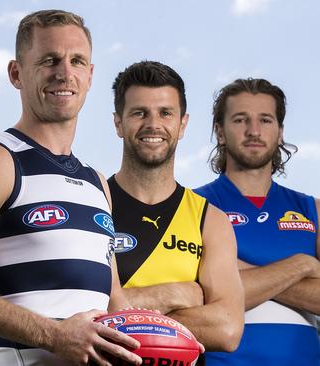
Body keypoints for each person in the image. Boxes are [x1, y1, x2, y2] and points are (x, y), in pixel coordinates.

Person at [0, 10, 142, 366]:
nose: (64, 73)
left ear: (90, 75)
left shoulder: (96, 181)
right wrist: (54, 335)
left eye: (77, 61)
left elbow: (112, 298)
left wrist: (158, 342)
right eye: (49, 60)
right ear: (16, 73)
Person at [195, 78, 320, 365]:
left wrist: (240, 275)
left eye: (265, 120)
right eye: (240, 120)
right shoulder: (191, 207)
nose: (254, 131)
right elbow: (190, 294)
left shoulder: (319, 212)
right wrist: (300, 266)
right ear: (220, 132)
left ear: (280, 132)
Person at [107, 61, 244, 352]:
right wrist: (174, 293)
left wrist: (124, 305)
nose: (153, 124)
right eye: (139, 112)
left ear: (182, 124)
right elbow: (75, 307)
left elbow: (227, 328)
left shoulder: (210, 220)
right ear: (118, 122)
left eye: (165, 113)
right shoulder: (93, 202)